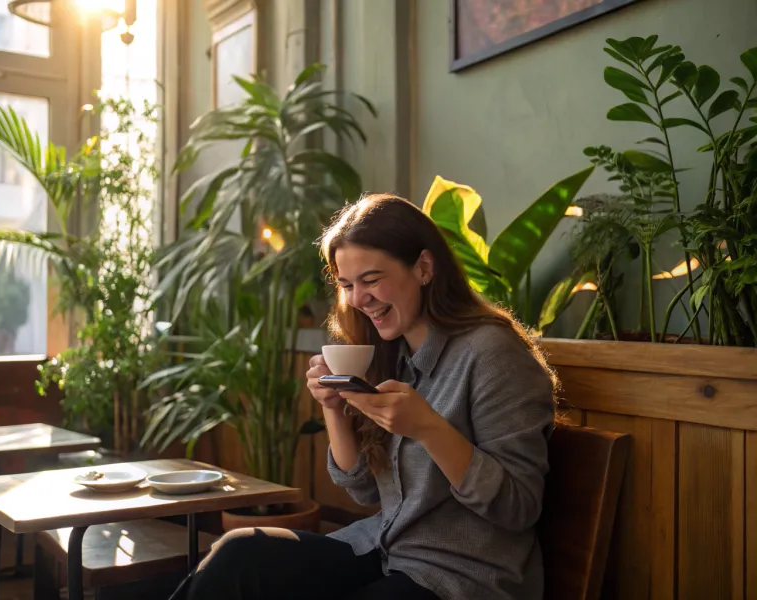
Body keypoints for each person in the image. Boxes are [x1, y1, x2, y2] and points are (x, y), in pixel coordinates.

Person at [184, 194, 557, 600]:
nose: (358, 300)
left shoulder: (491, 354)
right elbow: (364, 491)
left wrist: (430, 429)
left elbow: (517, 507)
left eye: (371, 280)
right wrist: (334, 408)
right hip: (383, 548)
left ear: (424, 268)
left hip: (463, 575)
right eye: (347, 285)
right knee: (241, 554)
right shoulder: (389, 354)